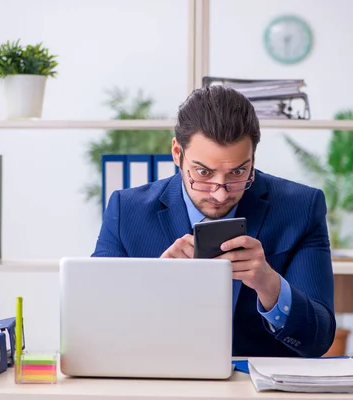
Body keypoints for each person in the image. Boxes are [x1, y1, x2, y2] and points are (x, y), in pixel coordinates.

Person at [92, 85, 336, 358]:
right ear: (177, 153)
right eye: (203, 172)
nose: (220, 193)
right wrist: (155, 286)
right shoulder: (127, 211)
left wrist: (270, 285)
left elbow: (319, 340)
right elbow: (94, 324)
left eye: (238, 172)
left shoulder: (301, 208)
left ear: (253, 158)